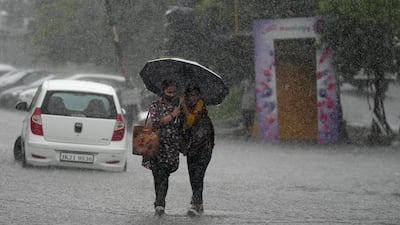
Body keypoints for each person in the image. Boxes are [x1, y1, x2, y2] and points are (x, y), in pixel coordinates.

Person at [142, 79, 184, 216]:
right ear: (163, 91)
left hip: (171, 146)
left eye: (174, 92)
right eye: (169, 92)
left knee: (164, 175)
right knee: (157, 175)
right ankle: (158, 199)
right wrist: (172, 115)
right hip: (156, 146)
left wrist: (182, 108)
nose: (171, 94)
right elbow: (155, 122)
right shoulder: (156, 105)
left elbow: (183, 125)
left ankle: (160, 202)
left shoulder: (179, 106)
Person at [180, 84, 214, 217]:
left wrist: (183, 107)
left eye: (196, 95)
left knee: (198, 174)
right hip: (191, 148)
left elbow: (190, 121)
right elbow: (182, 126)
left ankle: (195, 203)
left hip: (204, 147)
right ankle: (199, 203)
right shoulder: (183, 107)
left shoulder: (200, 106)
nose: (194, 98)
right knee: (193, 176)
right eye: (191, 95)